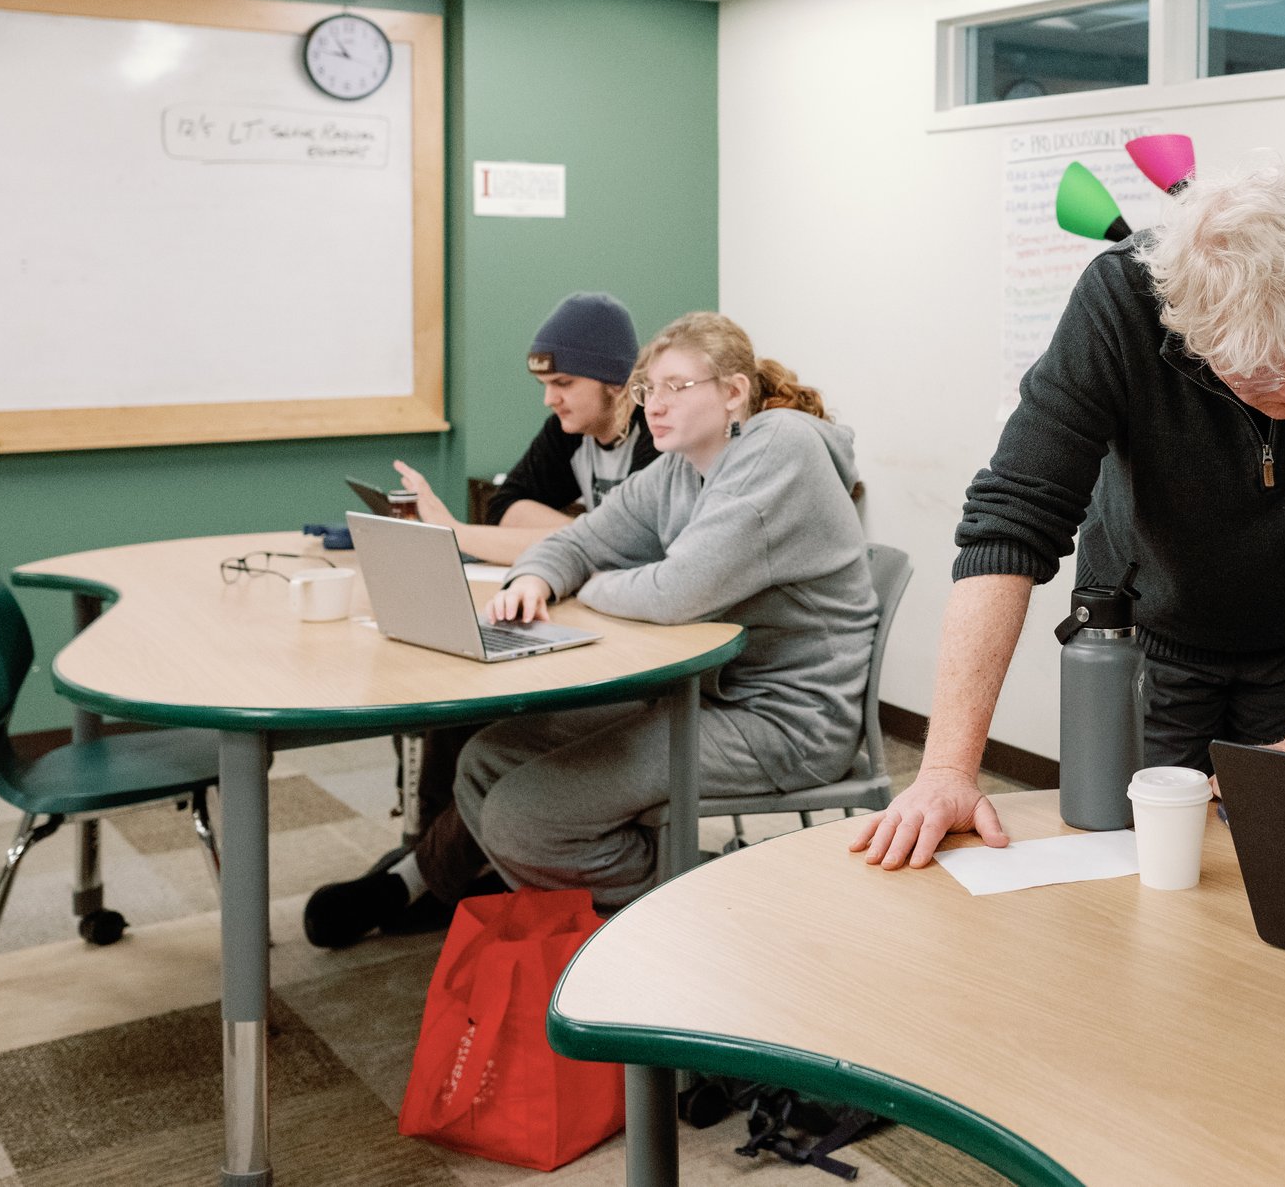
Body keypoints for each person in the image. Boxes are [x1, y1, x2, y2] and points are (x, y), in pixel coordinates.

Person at [855, 164, 1285, 870]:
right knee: (1127, 868)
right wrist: (947, 770)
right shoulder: (1122, 298)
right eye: (1261, 375)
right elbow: (1012, 519)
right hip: (1144, 643)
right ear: (1193, 336)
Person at [304, 313, 875, 939]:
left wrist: (593, 585)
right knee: (486, 760)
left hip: (787, 722)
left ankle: (710, 904)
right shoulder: (682, 466)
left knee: (525, 820)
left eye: (676, 387)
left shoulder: (779, 452)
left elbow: (676, 590)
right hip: (705, 694)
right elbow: (578, 541)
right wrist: (537, 579)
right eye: (647, 389)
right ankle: (667, 886)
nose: (654, 406)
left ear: (734, 392)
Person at [391, 292, 657, 566]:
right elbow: (503, 506)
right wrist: (587, 532)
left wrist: (456, 533)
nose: (550, 400)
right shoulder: (568, 431)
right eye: (544, 385)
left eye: (563, 383)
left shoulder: (658, 430)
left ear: (615, 380)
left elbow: (629, 545)